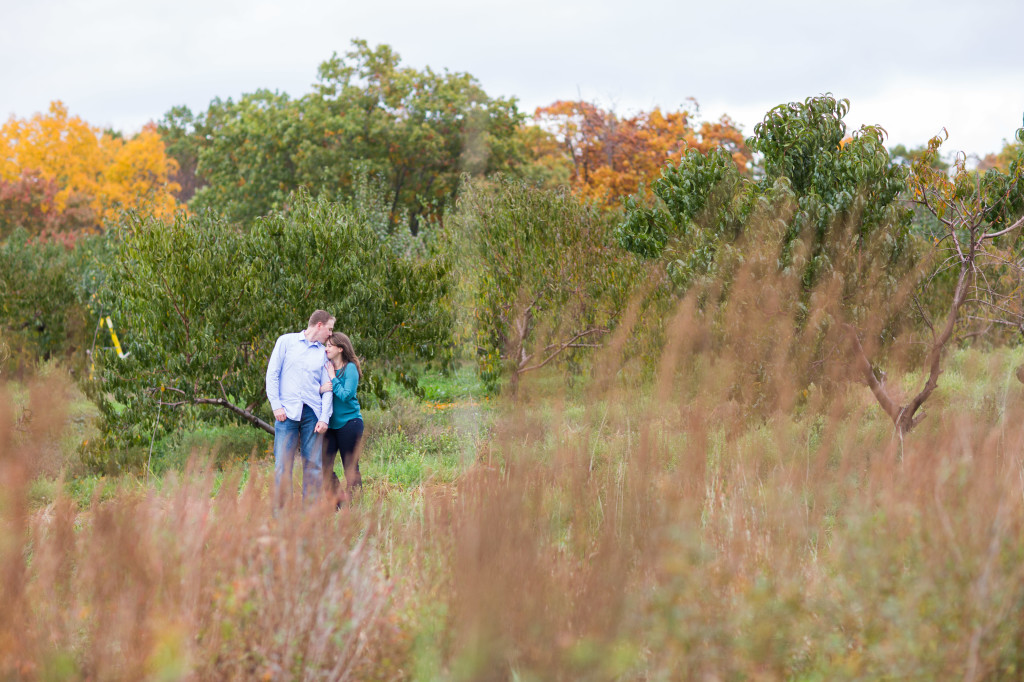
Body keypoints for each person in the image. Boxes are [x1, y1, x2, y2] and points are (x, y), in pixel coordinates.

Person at [266, 310, 335, 509]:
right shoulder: (286, 342)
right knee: (282, 466)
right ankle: (282, 517)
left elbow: (327, 387)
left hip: (312, 414)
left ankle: (309, 519)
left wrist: (324, 418)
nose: (330, 334)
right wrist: (276, 405)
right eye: (329, 329)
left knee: (313, 465)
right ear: (319, 325)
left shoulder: (322, 353)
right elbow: (272, 375)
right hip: (286, 412)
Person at [320, 332, 364, 507]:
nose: (326, 348)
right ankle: (340, 503)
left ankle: (357, 506)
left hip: (349, 424)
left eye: (330, 345)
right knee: (324, 466)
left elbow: (346, 395)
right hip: (329, 426)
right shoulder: (325, 366)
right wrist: (321, 387)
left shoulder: (350, 368)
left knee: (351, 468)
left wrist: (332, 377)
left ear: (340, 348)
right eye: (326, 345)